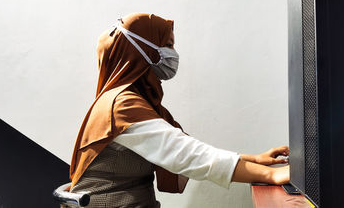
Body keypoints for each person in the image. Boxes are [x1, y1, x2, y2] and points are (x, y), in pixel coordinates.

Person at [66, 12, 290, 208]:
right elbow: (187, 156)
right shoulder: (121, 106)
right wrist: (271, 174)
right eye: (168, 45)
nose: (173, 54)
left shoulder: (130, 100)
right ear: (145, 51)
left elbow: (183, 148)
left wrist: (254, 159)